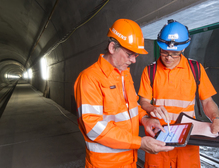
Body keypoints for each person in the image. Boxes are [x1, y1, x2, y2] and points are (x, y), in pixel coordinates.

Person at [74, 19, 174, 168]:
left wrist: (146, 119)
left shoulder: (124, 74)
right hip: (105, 164)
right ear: (112, 47)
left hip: (129, 160)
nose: (133, 61)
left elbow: (133, 108)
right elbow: (93, 127)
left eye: (136, 56)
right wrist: (139, 142)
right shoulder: (89, 78)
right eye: (129, 54)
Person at [138, 19, 219, 168]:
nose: (168, 57)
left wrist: (217, 119)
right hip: (158, 136)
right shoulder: (150, 71)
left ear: (183, 49)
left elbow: (207, 101)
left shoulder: (195, 69)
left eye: (174, 54)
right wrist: (151, 108)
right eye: (164, 52)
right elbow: (143, 102)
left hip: (188, 140)